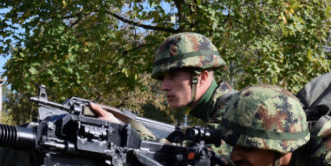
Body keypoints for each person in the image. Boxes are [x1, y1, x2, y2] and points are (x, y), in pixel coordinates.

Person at [90, 32, 235, 128]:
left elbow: (199, 158)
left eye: (173, 75)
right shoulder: (214, 111)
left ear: (202, 77)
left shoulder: (235, 109)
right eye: (163, 78)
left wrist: (121, 130)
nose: (163, 87)